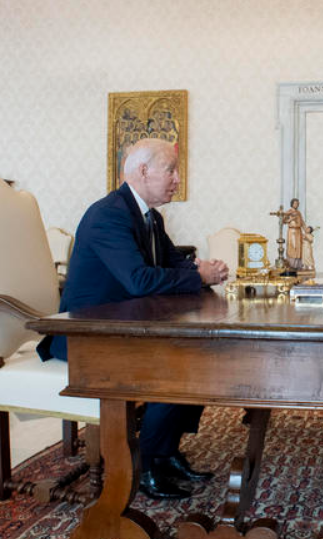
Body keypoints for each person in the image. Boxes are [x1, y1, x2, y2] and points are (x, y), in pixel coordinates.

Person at [37, 138, 229, 500]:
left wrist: (203, 268)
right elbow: (138, 280)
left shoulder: (150, 216)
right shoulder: (108, 214)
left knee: (200, 355)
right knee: (175, 366)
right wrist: (197, 277)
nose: (177, 179)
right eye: (170, 170)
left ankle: (166, 453)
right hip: (85, 337)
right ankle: (145, 465)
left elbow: (173, 262)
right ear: (143, 171)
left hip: (120, 330)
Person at [283, 198, 304, 268]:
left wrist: (306, 229)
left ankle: (298, 265)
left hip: (298, 231)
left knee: (299, 247)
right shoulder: (289, 212)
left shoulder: (299, 213)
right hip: (292, 232)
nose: (296, 205)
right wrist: (290, 219)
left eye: (297, 203)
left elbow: (302, 222)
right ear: (292, 204)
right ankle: (292, 265)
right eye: (295, 203)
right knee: (292, 247)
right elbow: (283, 221)